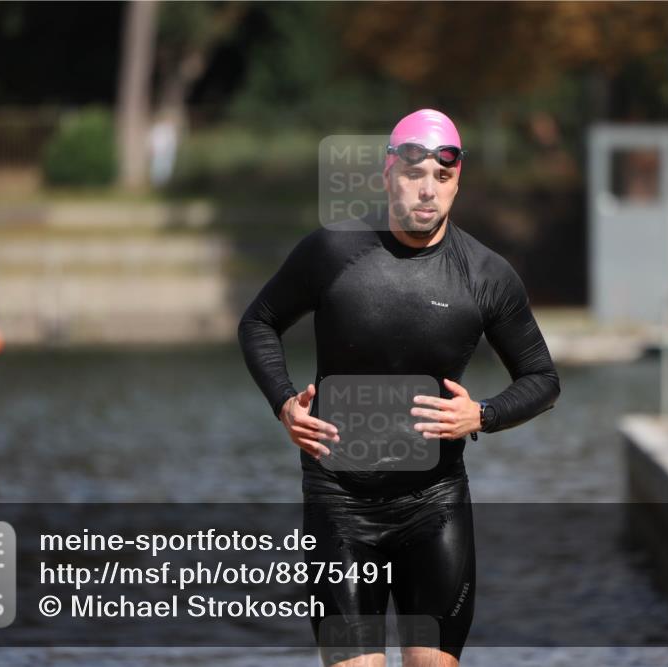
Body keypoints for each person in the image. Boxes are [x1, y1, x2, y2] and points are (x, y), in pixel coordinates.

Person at [238, 109, 560, 667]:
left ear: (458, 181)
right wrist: (284, 403)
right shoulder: (332, 252)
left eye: (442, 176)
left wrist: (481, 415)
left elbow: (542, 379)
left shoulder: (485, 275)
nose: (427, 190)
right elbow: (258, 322)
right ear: (387, 174)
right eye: (414, 174)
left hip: (435, 508)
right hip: (338, 505)